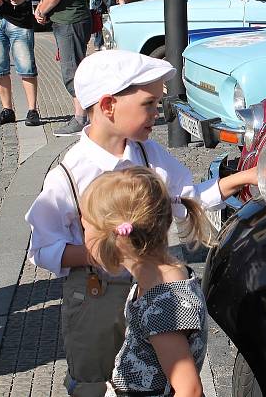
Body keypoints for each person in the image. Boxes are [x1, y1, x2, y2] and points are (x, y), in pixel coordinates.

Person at [25, 49, 257, 397]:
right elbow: (43, 249)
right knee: (95, 380)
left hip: (148, 285)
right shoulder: (68, 175)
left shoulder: (150, 154)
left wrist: (241, 179)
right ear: (108, 106)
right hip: (96, 295)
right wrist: (103, 252)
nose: (158, 113)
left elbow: (186, 199)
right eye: (148, 104)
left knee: (150, 373)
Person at [81, 166, 209, 396]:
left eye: (86, 229)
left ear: (115, 239)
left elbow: (189, 390)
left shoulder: (164, 306)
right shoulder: (163, 279)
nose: (83, 239)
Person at [35, 0, 92, 137]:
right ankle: (83, 116)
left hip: (70, 21)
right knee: (72, 68)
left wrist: (41, 10)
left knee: (72, 71)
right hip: (67, 20)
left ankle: (81, 119)